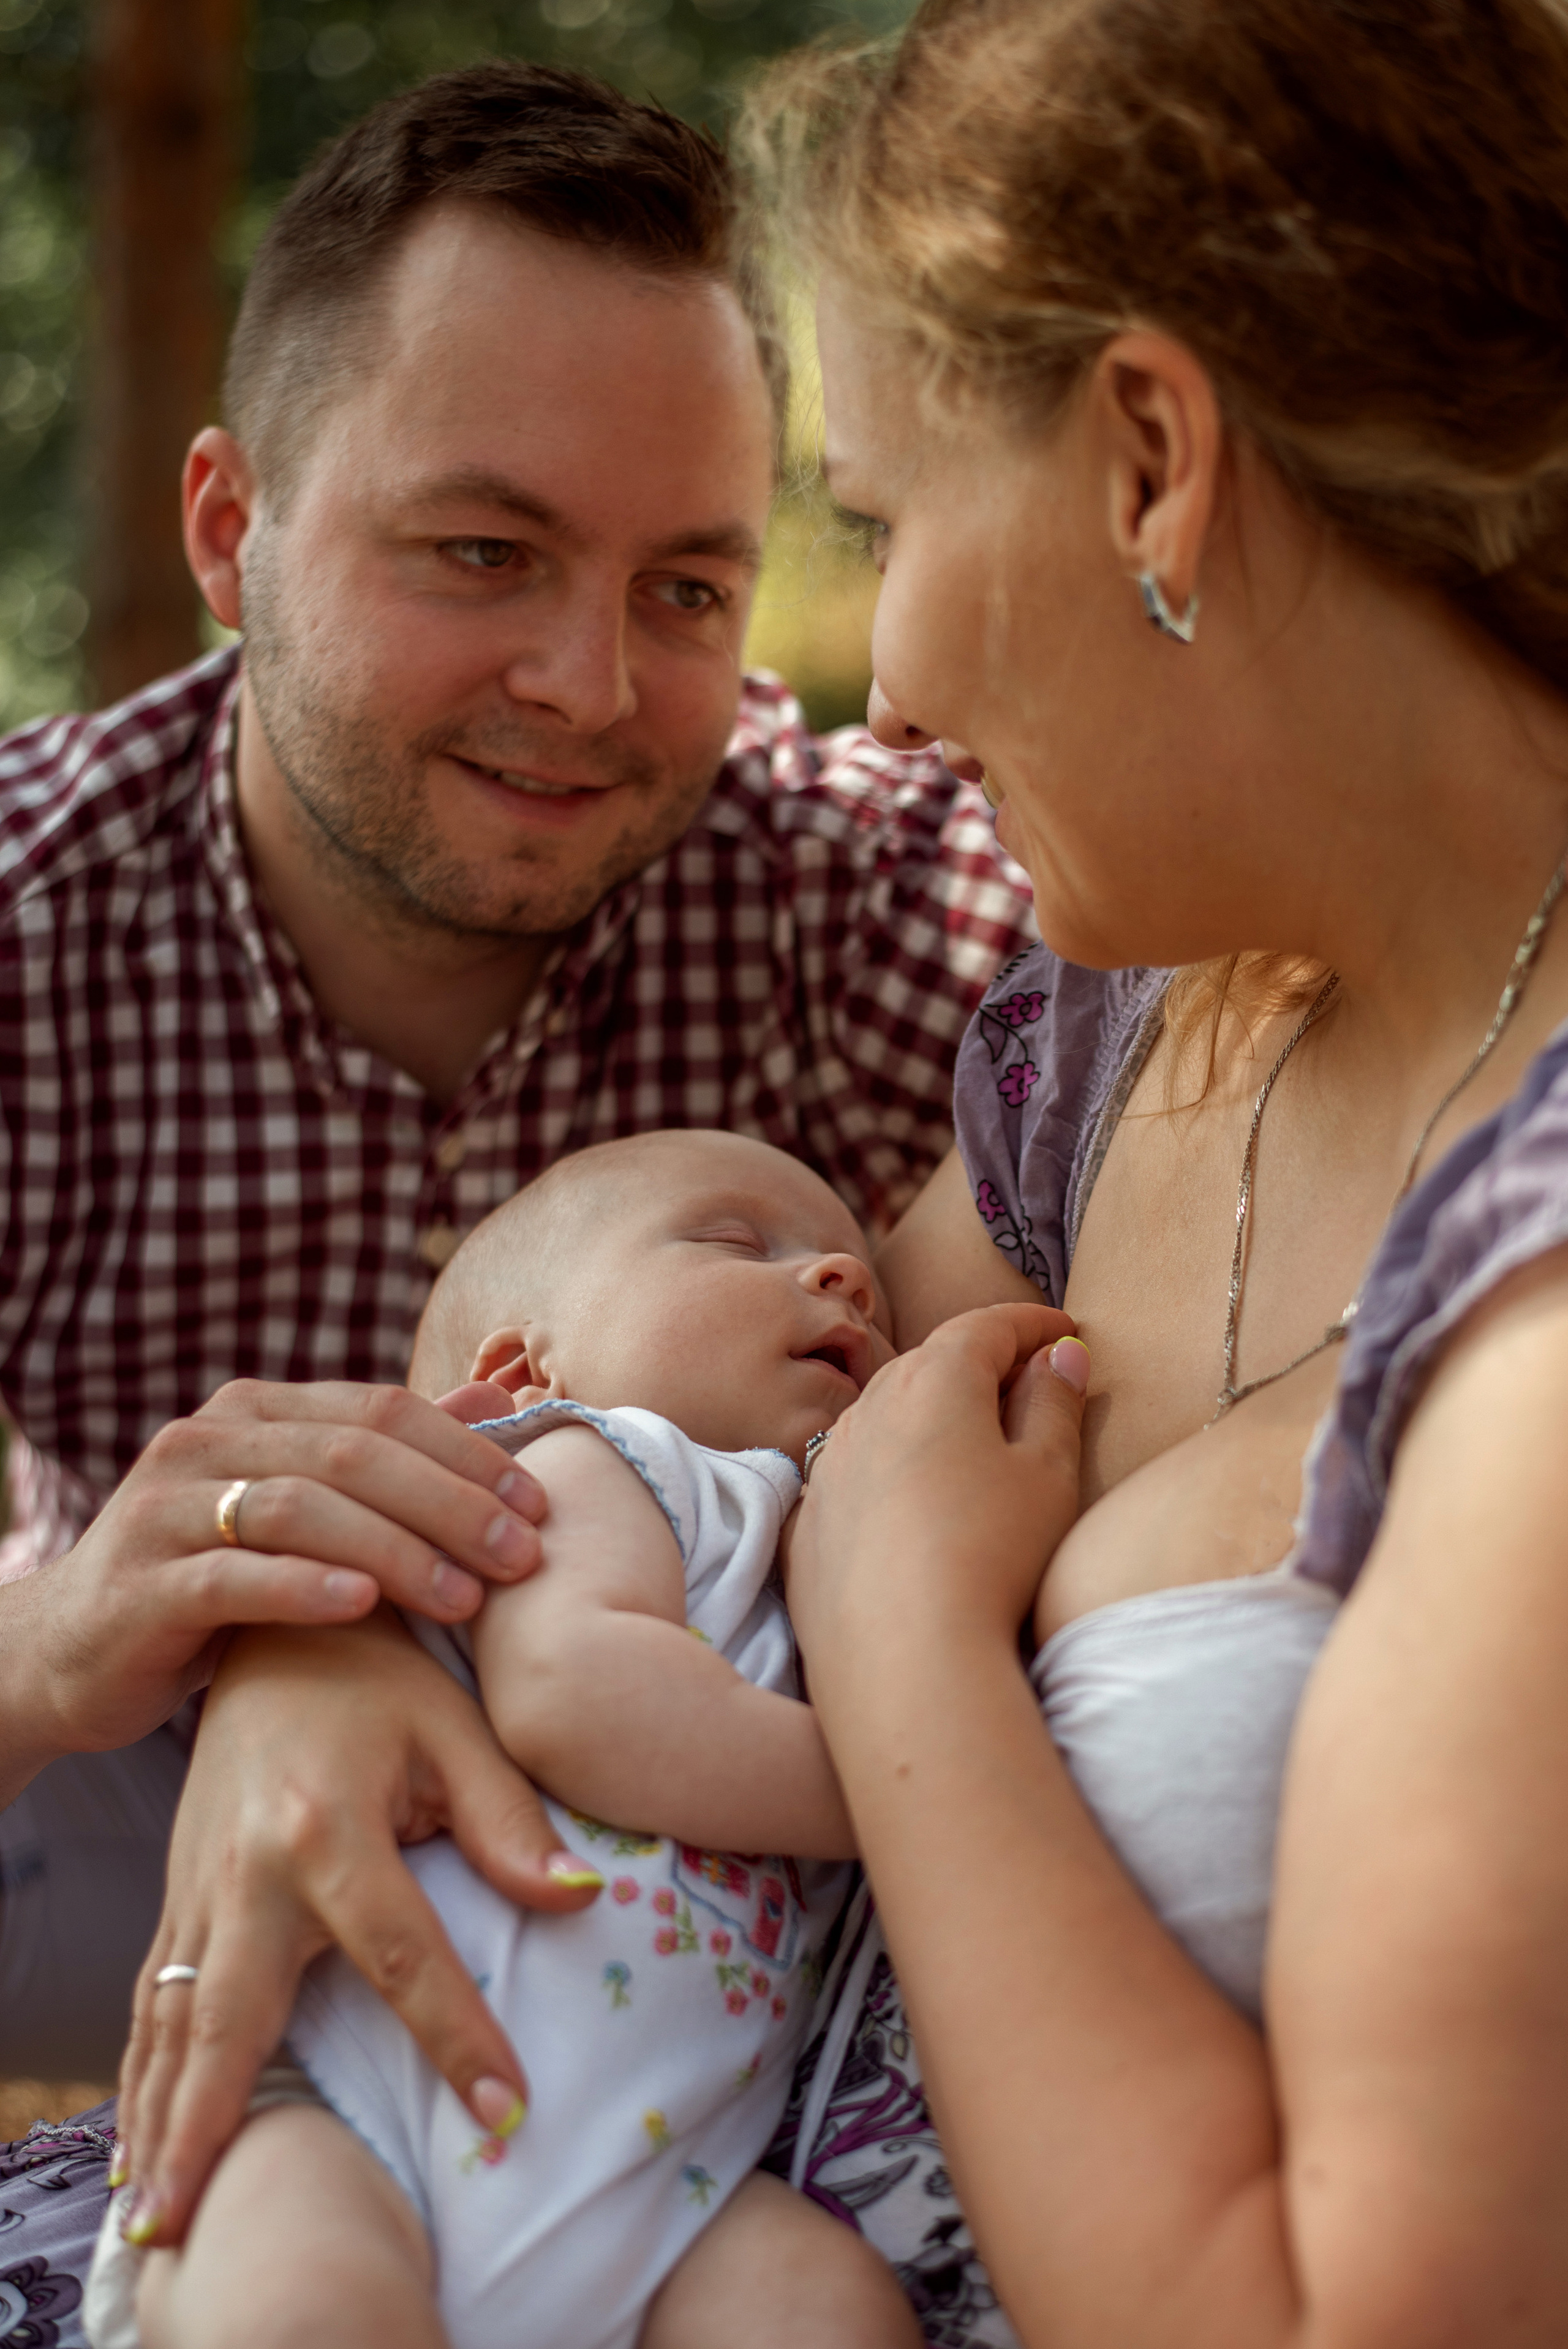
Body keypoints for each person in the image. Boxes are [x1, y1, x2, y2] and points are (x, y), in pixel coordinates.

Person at [0, 40, 1030, 2165]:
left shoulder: (875, 893)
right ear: (228, 527)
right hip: (126, 1904)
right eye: (482, 551)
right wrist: (98, 1638)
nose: (588, 684)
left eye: (684, 586)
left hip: (717, 1969)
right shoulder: (30, 923)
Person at [695, 0, 1568, 2342]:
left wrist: (907, 1646)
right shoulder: (1130, 1039)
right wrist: (334, 1685)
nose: (879, 679)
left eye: (878, 518)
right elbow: (701, 1464)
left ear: (1154, 459)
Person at [87, 1130, 940, 2349]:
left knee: (822, 2309)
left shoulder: (806, 1536)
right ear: (525, 1366)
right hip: (365, 2106)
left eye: (862, 1273)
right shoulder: (603, 1458)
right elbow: (575, 1694)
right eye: (739, 1243)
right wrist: (913, 1787)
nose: (841, 1276)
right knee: (305, 2308)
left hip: (669, 2188)